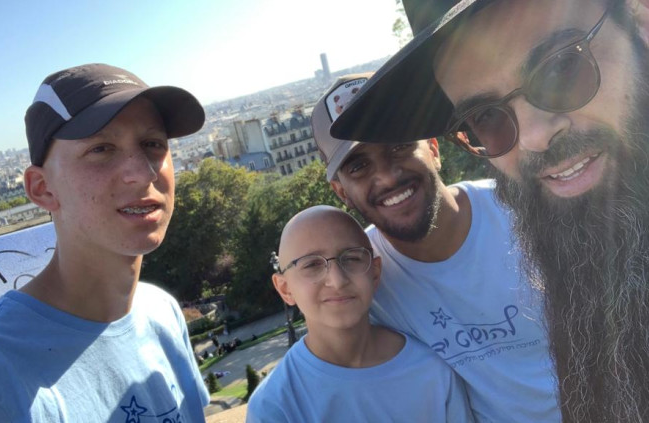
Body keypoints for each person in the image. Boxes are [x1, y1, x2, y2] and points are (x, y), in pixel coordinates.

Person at [330, 1, 649, 421]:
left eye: (561, 68)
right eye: (486, 116)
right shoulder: (367, 278)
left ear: (640, 19)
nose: (534, 136)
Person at [0, 63, 209, 422]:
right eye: (101, 149)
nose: (143, 172)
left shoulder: (161, 313)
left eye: (153, 144)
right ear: (42, 188)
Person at [313, 74, 559, 421]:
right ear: (342, 192)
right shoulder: (360, 281)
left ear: (432, 147)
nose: (387, 176)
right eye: (359, 166)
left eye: (397, 145)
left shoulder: (526, 211)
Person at [246, 205, 472, 423]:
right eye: (312, 265)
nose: (337, 281)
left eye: (352, 258)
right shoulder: (274, 406)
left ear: (375, 273)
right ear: (285, 288)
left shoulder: (431, 371)